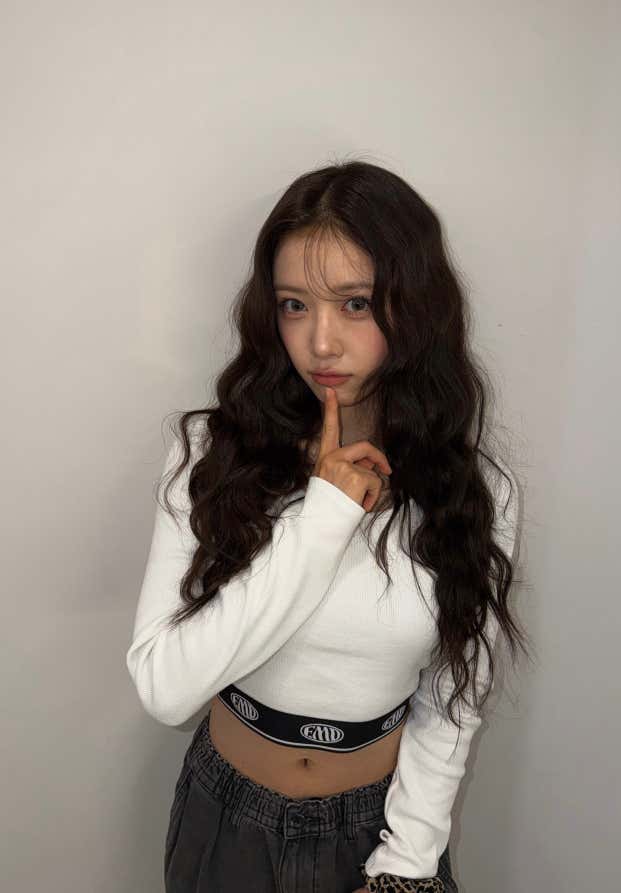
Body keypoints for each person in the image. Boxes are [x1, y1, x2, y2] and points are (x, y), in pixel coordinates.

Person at [126, 159, 529, 893]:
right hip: (226, 822)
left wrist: (405, 865)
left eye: (355, 304)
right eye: (293, 305)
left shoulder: (476, 492)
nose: (319, 343)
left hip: (379, 829)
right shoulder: (211, 455)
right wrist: (323, 518)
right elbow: (166, 687)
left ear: (415, 308)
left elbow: (451, 701)